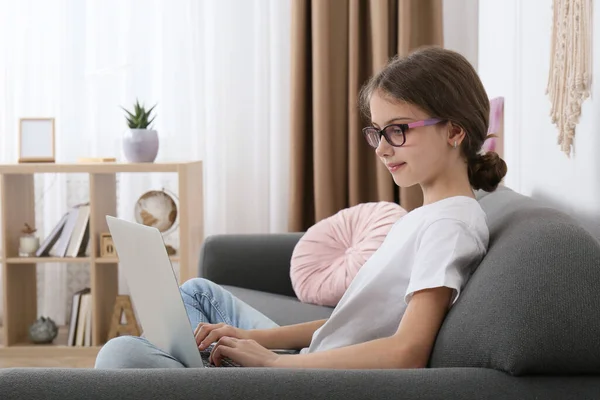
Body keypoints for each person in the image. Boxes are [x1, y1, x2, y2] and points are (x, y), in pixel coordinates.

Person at [95, 46, 507, 369]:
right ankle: (190, 370)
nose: (381, 148)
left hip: (313, 376)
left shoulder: (449, 226)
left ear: (454, 131)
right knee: (199, 294)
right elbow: (351, 324)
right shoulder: (425, 216)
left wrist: (272, 364)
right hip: (312, 357)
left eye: (397, 131)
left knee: (122, 355)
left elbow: (407, 352)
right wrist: (256, 339)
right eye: (377, 132)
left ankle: (189, 375)